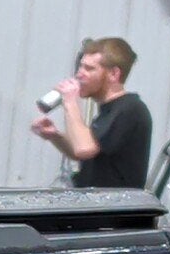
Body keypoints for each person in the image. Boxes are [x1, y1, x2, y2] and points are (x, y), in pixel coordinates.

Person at [35, 36, 151, 187]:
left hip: (115, 208)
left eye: (89, 69)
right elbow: (82, 152)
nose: (79, 74)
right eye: (81, 67)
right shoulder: (108, 111)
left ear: (113, 74)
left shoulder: (130, 110)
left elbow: (84, 149)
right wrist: (54, 135)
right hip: (92, 203)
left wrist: (70, 102)